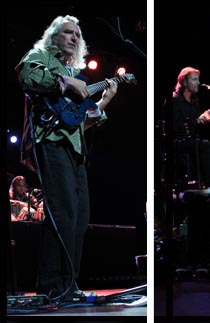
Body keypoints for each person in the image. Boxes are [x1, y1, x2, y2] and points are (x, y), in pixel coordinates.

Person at [16, 15, 118, 300]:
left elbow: (77, 124)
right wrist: (66, 83)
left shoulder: (75, 74)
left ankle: (68, 285)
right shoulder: (41, 55)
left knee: (80, 215)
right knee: (62, 213)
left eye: (77, 34)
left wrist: (102, 104)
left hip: (74, 150)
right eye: (67, 32)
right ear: (54, 36)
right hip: (50, 143)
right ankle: (51, 286)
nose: (74, 37)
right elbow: (28, 75)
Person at [170, 66, 210, 188]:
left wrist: (203, 120)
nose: (198, 82)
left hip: (192, 140)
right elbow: (176, 126)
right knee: (205, 146)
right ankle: (208, 184)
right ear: (184, 82)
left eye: (198, 79)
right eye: (194, 79)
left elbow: (195, 125)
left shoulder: (195, 101)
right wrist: (197, 121)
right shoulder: (175, 100)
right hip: (178, 141)